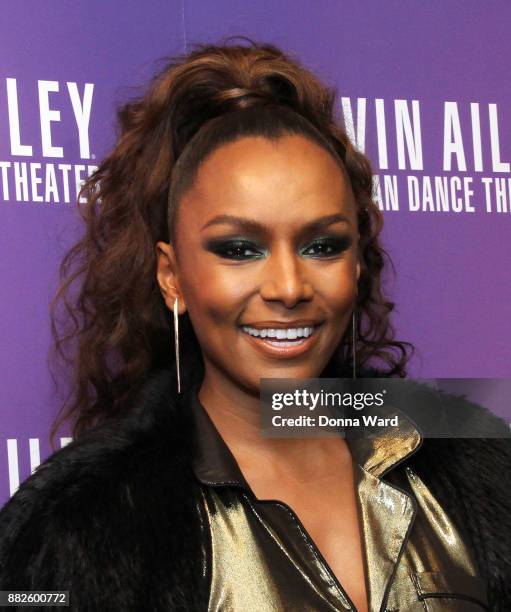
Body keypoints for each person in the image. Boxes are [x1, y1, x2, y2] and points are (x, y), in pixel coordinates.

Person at [0, 37, 509, 612]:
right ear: (172, 277)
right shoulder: (80, 529)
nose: (289, 288)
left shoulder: (474, 459)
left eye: (323, 244)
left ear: (358, 261)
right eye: (240, 249)